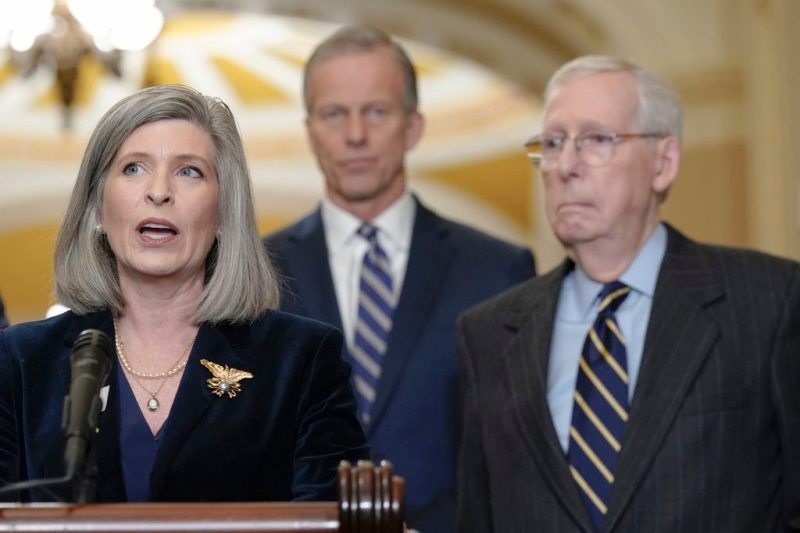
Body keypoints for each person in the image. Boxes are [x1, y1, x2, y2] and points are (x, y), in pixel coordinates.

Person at [456, 55, 800, 532]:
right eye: (553, 144)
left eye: (597, 140)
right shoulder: (488, 334)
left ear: (663, 163)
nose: (566, 166)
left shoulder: (769, 302)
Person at [0, 84, 368, 503]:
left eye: (188, 171)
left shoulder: (301, 360)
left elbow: (336, 518)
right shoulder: (19, 362)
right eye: (133, 168)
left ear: (224, 213)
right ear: (97, 209)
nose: (159, 191)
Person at [265, 26, 536, 532]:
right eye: (333, 114)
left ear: (412, 127)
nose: (355, 135)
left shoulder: (498, 269)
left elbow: (517, 450)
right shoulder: (257, 272)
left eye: (376, 111)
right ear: (310, 132)